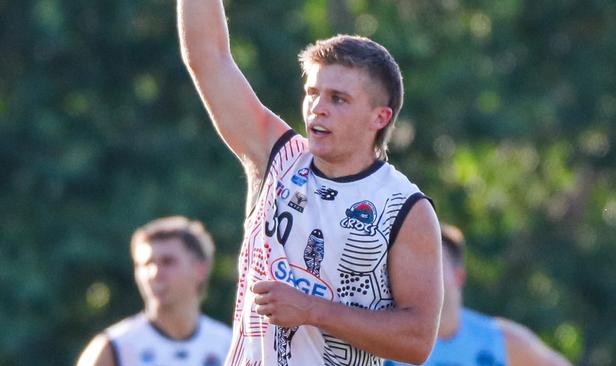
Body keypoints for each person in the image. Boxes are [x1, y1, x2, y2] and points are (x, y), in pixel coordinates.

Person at [176, 1, 444, 365]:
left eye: (338, 99)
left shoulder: (405, 208)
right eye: (313, 93)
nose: (318, 108)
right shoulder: (277, 157)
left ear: (379, 117)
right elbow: (209, 59)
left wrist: (311, 310)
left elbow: (417, 341)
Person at [385, 223, 572, 366]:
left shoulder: (501, 342)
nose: (421, 275)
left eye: (433, 266)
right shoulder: (384, 339)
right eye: (413, 266)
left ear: (458, 277)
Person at [76, 216, 232, 366]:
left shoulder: (229, 346)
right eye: (146, 264)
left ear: (200, 269)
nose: (155, 273)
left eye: (168, 262)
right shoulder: (114, 347)